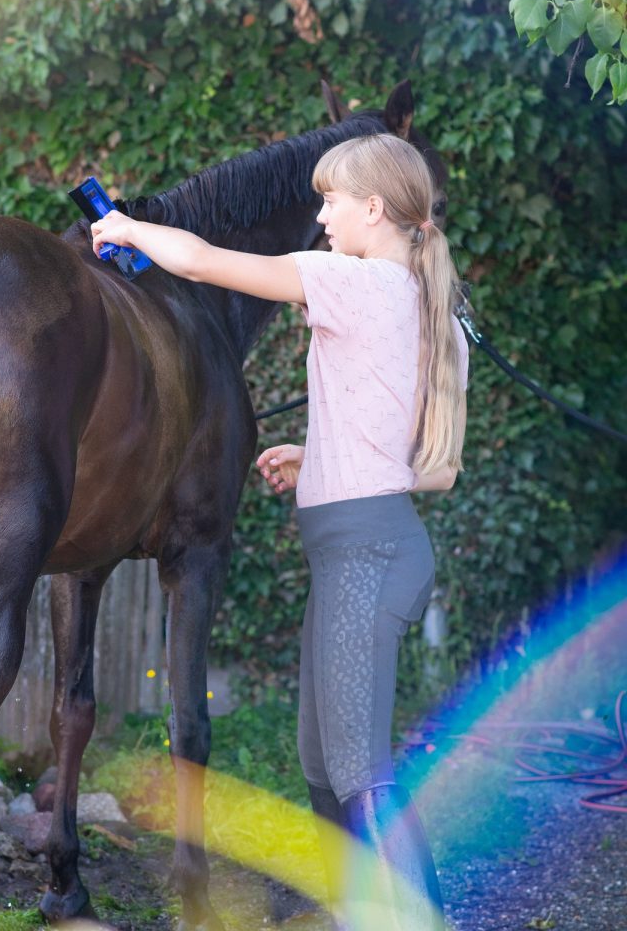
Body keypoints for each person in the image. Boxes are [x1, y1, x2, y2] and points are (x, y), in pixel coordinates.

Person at [91, 133, 468, 931]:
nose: (322, 216)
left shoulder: (353, 281)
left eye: (332, 200)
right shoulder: (421, 303)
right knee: (321, 767)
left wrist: (125, 226)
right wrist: (320, 457)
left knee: (359, 773)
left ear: (375, 208)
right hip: (366, 549)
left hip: (366, 556)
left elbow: (201, 262)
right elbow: (437, 469)